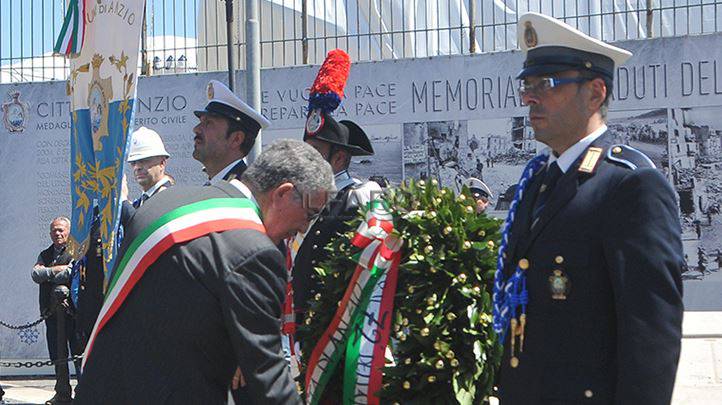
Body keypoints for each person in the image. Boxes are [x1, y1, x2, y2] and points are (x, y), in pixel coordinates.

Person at [493, 12, 683, 404]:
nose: (530, 97)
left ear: (595, 93)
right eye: (527, 85)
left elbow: (650, 336)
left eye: (546, 84)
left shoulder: (630, 186)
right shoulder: (536, 183)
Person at [75, 140, 333, 404]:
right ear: (282, 194)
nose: (304, 227)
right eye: (310, 213)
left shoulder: (168, 203)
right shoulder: (254, 251)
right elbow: (267, 377)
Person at [31, 217, 82, 405]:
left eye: (61, 230)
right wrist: (56, 270)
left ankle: (83, 392)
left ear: (68, 231)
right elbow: (36, 275)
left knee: (78, 353)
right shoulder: (44, 253)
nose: (57, 233)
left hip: (73, 314)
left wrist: (48, 272)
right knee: (57, 355)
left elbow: (69, 273)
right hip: (51, 314)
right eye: (54, 230)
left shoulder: (76, 250)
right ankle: (62, 393)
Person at [192, 80, 269, 184]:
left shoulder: (243, 190)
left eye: (209, 123)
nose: (196, 129)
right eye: (201, 122)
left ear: (236, 139)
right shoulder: (218, 185)